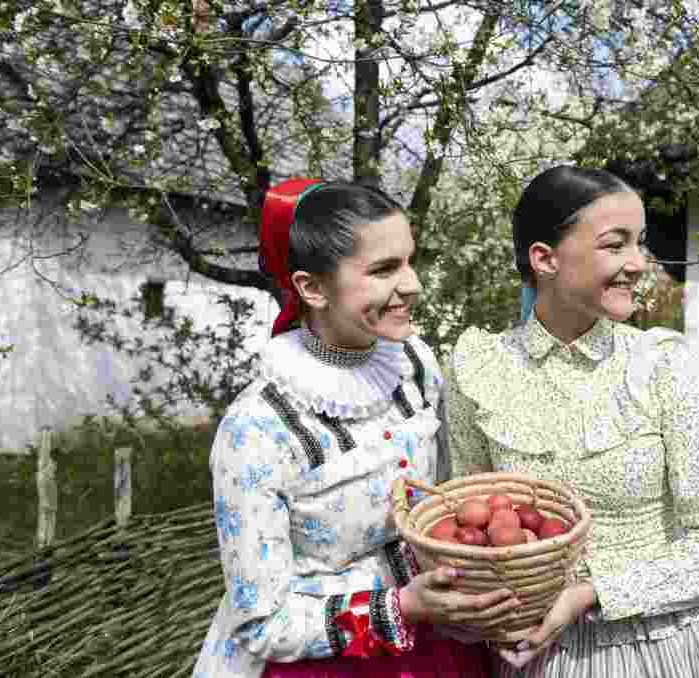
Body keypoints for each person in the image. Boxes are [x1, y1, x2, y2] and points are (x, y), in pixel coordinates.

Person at [445, 166, 699, 677]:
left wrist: (592, 593)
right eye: (614, 244)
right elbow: (466, 530)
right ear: (545, 258)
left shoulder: (663, 365)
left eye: (639, 243)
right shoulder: (477, 369)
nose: (638, 264)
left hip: (678, 648)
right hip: (542, 658)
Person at [192, 178, 520, 678]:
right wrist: (400, 608)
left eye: (410, 260)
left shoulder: (414, 364)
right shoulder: (258, 429)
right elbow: (261, 626)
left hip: (440, 640)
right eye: (385, 269)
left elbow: (439, 506)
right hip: (327, 663)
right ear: (311, 288)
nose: (412, 285)